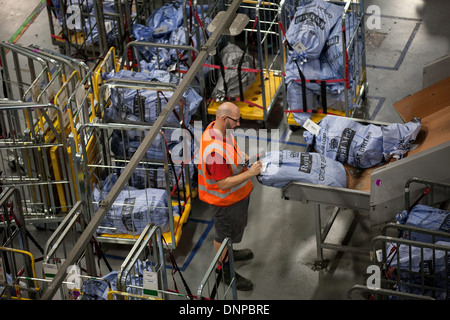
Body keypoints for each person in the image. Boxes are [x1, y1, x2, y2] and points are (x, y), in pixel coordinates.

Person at [198, 102, 262, 291]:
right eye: (236, 120)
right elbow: (223, 183)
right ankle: (224, 269)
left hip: (236, 197)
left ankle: (229, 252)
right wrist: (251, 173)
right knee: (224, 235)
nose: (239, 123)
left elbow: (233, 152)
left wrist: (245, 159)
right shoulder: (214, 152)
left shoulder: (217, 130)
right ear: (224, 119)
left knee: (231, 232)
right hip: (225, 202)